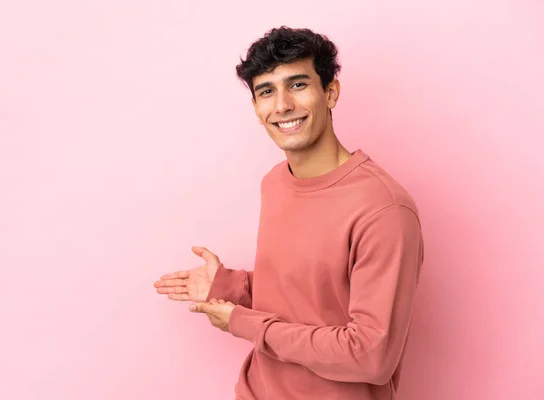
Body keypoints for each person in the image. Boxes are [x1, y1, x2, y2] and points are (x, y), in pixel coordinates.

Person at [154, 26, 424, 400]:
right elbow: (305, 293)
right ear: (256, 108)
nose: (281, 105)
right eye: (267, 91)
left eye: (297, 85)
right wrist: (230, 287)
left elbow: (371, 356)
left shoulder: (383, 209)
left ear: (330, 92)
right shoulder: (275, 183)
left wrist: (244, 323)